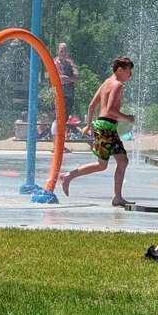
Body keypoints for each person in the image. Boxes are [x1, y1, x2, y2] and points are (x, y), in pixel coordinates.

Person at [60, 56, 135, 207]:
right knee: (104, 164)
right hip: (106, 127)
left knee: (121, 161)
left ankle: (117, 197)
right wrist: (127, 117)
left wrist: (88, 125)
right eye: (129, 71)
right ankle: (68, 176)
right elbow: (110, 110)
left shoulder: (106, 82)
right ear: (120, 70)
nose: (130, 75)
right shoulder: (118, 85)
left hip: (105, 127)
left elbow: (91, 105)